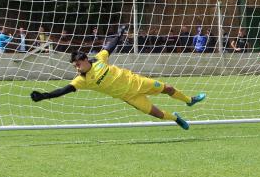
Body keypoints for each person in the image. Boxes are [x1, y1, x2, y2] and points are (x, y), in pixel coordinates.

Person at [29, 26, 206, 129]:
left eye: (77, 64)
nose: (76, 68)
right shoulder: (81, 80)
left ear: (84, 59)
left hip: (138, 82)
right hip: (129, 96)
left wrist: (119, 34)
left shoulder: (99, 59)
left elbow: (110, 46)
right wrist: (44, 96)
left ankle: (190, 100)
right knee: (158, 114)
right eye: (74, 66)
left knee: (167, 88)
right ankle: (175, 118)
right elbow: (63, 90)